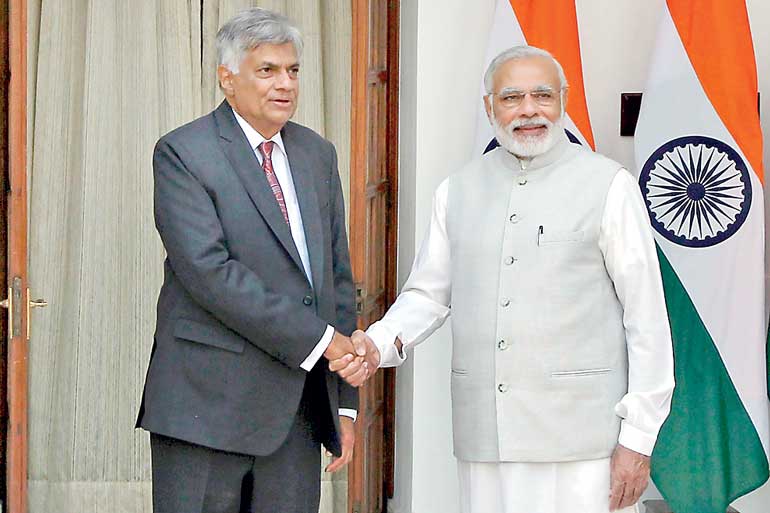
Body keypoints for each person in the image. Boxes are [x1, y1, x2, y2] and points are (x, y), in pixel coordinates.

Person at [334, 46, 675, 513]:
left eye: (542, 95)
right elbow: (428, 294)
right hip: (487, 440)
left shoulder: (610, 185)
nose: (529, 110)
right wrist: (376, 344)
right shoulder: (457, 190)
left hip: (584, 444)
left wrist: (639, 438)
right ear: (489, 106)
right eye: (512, 97)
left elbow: (648, 321)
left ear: (563, 100)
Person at [136, 8, 373, 513]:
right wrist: (324, 342)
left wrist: (344, 402)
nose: (284, 84)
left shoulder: (317, 154)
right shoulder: (183, 153)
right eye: (267, 70)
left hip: (298, 414)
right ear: (228, 79)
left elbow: (334, 278)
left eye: (293, 71)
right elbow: (210, 273)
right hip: (206, 409)